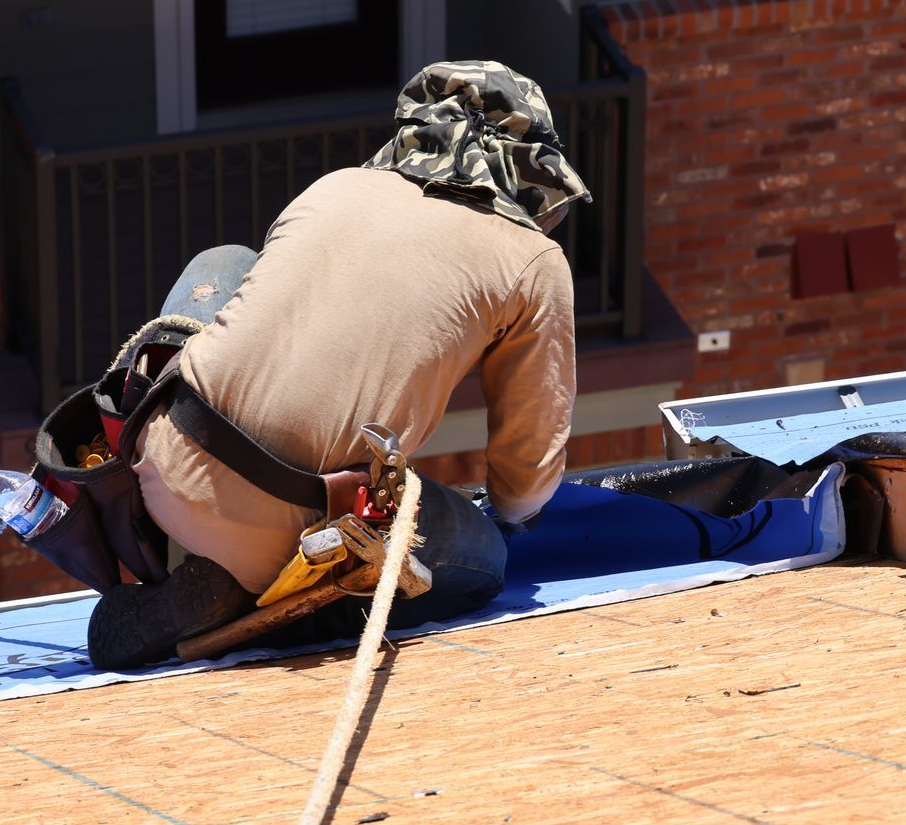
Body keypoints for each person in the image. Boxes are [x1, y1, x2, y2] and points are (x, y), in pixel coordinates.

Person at [87, 60, 588, 669]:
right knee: (485, 559)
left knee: (223, 263)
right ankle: (270, 600)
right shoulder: (534, 261)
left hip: (161, 461)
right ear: (531, 172)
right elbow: (527, 471)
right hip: (300, 526)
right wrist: (509, 515)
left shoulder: (335, 186)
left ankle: (192, 553)